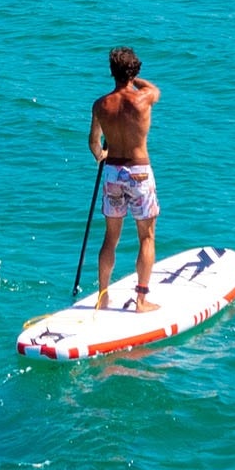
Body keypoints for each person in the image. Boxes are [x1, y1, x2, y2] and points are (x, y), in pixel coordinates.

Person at [88, 46, 163, 311]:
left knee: (110, 238)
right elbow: (156, 90)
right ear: (134, 72)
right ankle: (141, 300)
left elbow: (95, 145)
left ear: (111, 72)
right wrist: (135, 77)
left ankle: (103, 296)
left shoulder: (100, 105)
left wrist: (103, 154)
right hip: (139, 171)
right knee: (147, 237)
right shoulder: (143, 99)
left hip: (112, 173)